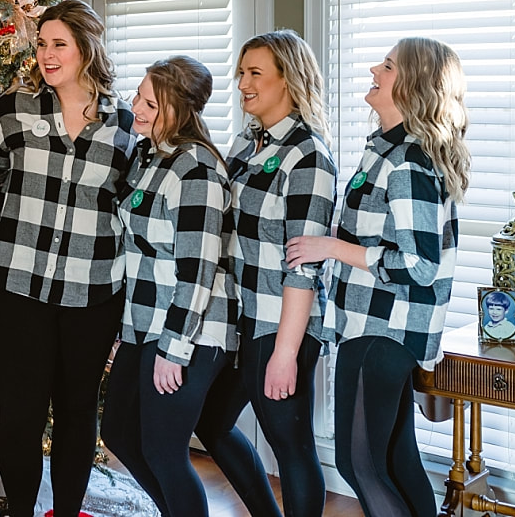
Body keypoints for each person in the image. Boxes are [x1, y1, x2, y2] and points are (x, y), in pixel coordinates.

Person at [286, 37, 470, 517]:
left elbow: (421, 265)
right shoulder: (388, 151)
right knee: (395, 457)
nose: (373, 69)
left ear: (410, 86)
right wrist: (340, 237)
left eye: (386, 66)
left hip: (381, 331)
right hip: (372, 327)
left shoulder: (407, 161)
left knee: (357, 462)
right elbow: (382, 233)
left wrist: (332, 247)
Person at [0, 0, 137, 517]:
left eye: (59, 45)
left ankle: (67, 513)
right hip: (19, 287)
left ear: (87, 48)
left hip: (93, 290)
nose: (47, 55)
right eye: (42, 44)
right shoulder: (13, 109)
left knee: (77, 413)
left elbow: (129, 201)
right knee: (22, 414)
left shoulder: (126, 123)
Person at [195, 29, 337, 517]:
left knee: (291, 445)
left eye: (255, 73)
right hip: (240, 318)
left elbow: (305, 266)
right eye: (241, 73)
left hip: (281, 322)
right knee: (212, 424)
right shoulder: (244, 142)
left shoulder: (309, 156)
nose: (242, 84)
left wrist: (285, 352)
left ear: (289, 80)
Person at [100, 57, 238, 517]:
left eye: (148, 102)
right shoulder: (146, 156)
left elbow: (197, 270)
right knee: (118, 431)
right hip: (144, 321)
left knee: (163, 449)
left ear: (177, 110)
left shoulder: (197, 170)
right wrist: (126, 331)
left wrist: (173, 348)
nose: (134, 106)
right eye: (138, 95)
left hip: (190, 331)